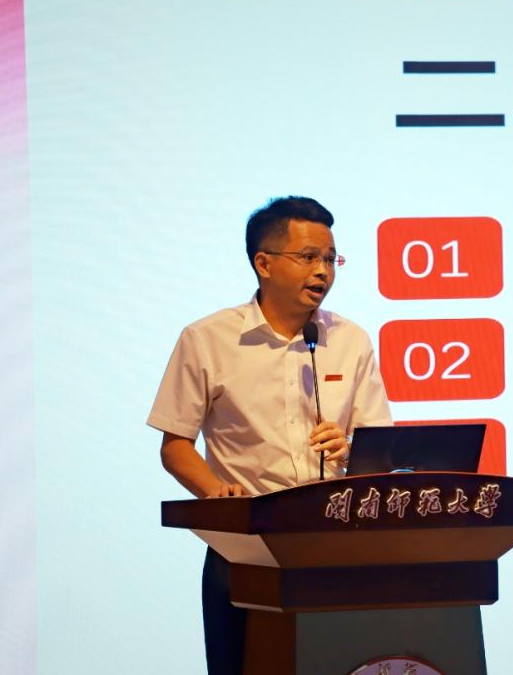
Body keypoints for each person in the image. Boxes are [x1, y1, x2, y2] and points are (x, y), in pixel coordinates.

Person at [149, 193, 391, 675]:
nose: (322, 271)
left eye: (330, 259)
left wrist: (350, 450)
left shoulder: (350, 339)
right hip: (244, 548)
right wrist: (217, 494)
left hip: (334, 545)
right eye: (308, 257)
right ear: (264, 263)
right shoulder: (207, 339)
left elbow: (380, 448)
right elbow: (175, 446)